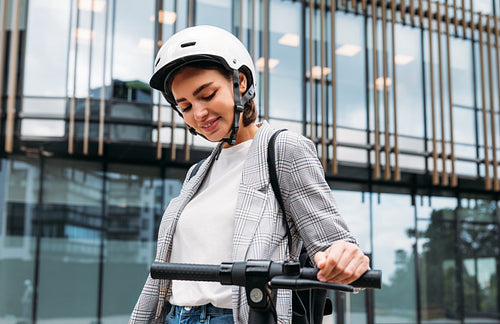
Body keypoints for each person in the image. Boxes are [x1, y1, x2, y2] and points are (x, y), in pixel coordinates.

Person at [130, 25, 369, 324]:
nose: (199, 113)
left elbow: (333, 244)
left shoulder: (283, 149)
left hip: (236, 317)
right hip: (175, 316)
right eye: (186, 106)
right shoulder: (197, 173)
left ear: (240, 82)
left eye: (207, 94)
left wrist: (346, 257)